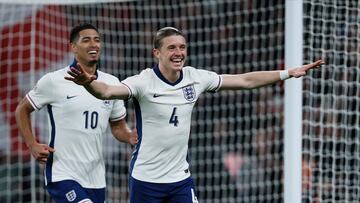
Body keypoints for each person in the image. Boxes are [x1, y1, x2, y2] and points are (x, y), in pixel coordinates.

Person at [65, 26, 325, 203]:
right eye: (172, 48)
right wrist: (88, 82)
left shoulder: (195, 78)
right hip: (146, 179)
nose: (179, 53)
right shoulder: (143, 82)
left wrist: (286, 73)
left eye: (182, 47)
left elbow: (244, 80)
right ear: (157, 53)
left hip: (180, 179)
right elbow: (108, 91)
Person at [15, 22, 138, 203]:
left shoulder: (111, 83)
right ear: (73, 47)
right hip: (62, 173)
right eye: (86, 40)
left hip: (95, 177)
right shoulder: (54, 81)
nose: (93, 44)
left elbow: (118, 126)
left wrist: (129, 136)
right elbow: (22, 109)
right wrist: (32, 144)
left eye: (97, 40)